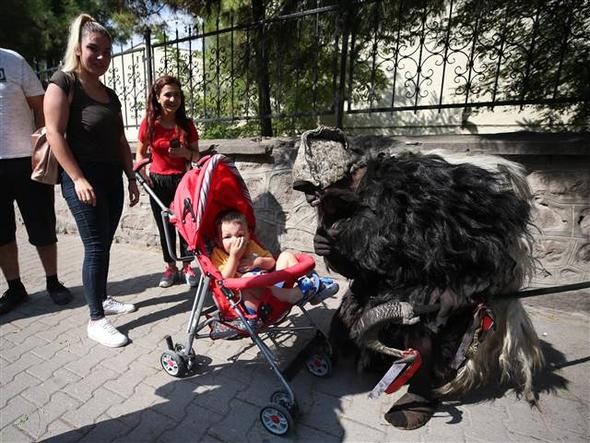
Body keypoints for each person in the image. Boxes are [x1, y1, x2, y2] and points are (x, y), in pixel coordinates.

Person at [43, 14, 140, 347]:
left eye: (107, 51)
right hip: (82, 179)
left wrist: (131, 177)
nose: (101, 56)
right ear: (78, 49)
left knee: (106, 241)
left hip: (112, 177)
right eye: (93, 49)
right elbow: (54, 133)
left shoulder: (110, 96)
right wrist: (77, 177)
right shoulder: (63, 82)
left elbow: (119, 142)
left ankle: (102, 296)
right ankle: (96, 319)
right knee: (95, 246)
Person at [0, 47, 72, 315]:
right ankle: (15, 287)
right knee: (1, 232)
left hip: (26, 161)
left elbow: (40, 106)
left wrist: (41, 148)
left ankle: (53, 281)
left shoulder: (12, 60)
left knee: (42, 225)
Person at [135, 75, 200, 289]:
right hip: (157, 183)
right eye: (168, 95)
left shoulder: (186, 124)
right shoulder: (149, 124)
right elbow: (140, 154)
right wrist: (141, 171)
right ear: (157, 97)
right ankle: (170, 267)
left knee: (184, 226)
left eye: (177, 95)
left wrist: (185, 152)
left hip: (183, 182)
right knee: (164, 227)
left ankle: (187, 266)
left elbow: (197, 157)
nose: (173, 99)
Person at [210, 210, 339, 316]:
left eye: (240, 235)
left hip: (274, 288)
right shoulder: (218, 254)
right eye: (227, 237)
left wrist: (257, 261)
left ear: (248, 235)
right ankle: (298, 293)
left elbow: (271, 263)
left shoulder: (251, 245)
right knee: (248, 279)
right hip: (255, 301)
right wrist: (234, 257)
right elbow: (224, 279)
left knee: (285, 255)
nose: (235, 241)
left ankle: (306, 288)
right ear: (219, 241)